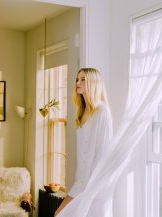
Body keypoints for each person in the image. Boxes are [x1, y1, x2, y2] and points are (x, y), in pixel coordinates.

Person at [54, 68, 113, 217]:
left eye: (83, 79)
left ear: (93, 83)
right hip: (80, 182)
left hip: (93, 185)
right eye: (77, 79)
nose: (78, 83)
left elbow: (104, 152)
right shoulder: (83, 112)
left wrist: (92, 188)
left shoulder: (102, 112)